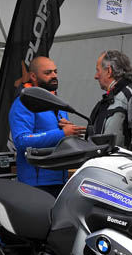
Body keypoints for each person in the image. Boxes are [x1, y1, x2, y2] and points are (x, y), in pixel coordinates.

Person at [9, 56, 85, 196]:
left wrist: (68, 134)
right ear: (33, 76)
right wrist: (62, 133)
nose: (54, 76)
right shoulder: (23, 104)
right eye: (48, 73)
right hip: (36, 184)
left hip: (60, 180)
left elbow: (57, 138)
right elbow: (21, 140)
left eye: (55, 71)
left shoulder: (58, 103)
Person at [92, 50, 132, 153]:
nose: (96, 76)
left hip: (124, 163)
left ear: (109, 71)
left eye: (98, 70)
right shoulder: (105, 101)